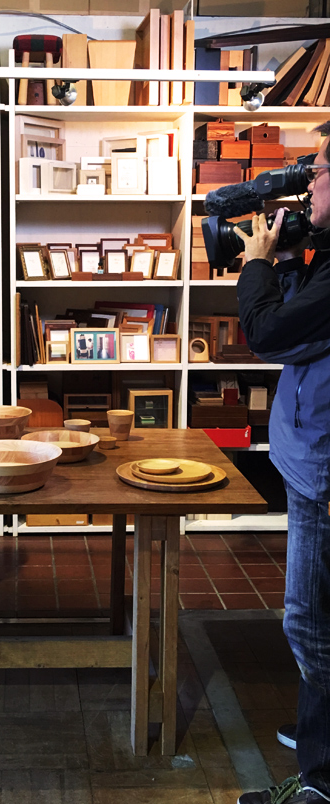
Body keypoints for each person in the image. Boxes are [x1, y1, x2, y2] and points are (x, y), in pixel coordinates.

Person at [234, 124, 330, 804]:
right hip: (312, 456)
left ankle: (321, 784)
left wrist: (258, 265)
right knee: (313, 616)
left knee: (311, 620)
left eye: (317, 172)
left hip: (324, 470)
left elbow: (269, 333)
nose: (306, 183)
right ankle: (319, 731)